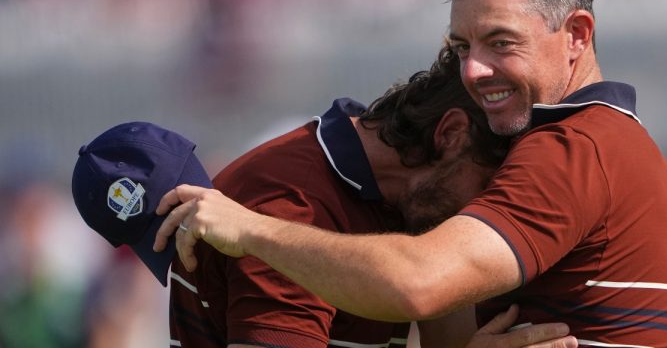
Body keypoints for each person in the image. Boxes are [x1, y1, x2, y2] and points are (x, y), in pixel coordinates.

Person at [153, 0, 667, 348]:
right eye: (463, 47)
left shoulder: (573, 148)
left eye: (501, 42)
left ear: (577, 35)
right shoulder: (611, 143)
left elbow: (418, 282)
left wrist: (250, 231)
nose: (474, 71)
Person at [72, 48, 577, 348]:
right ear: (448, 135)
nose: (487, 212)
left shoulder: (412, 203)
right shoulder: (283, 204)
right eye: (490, 186)